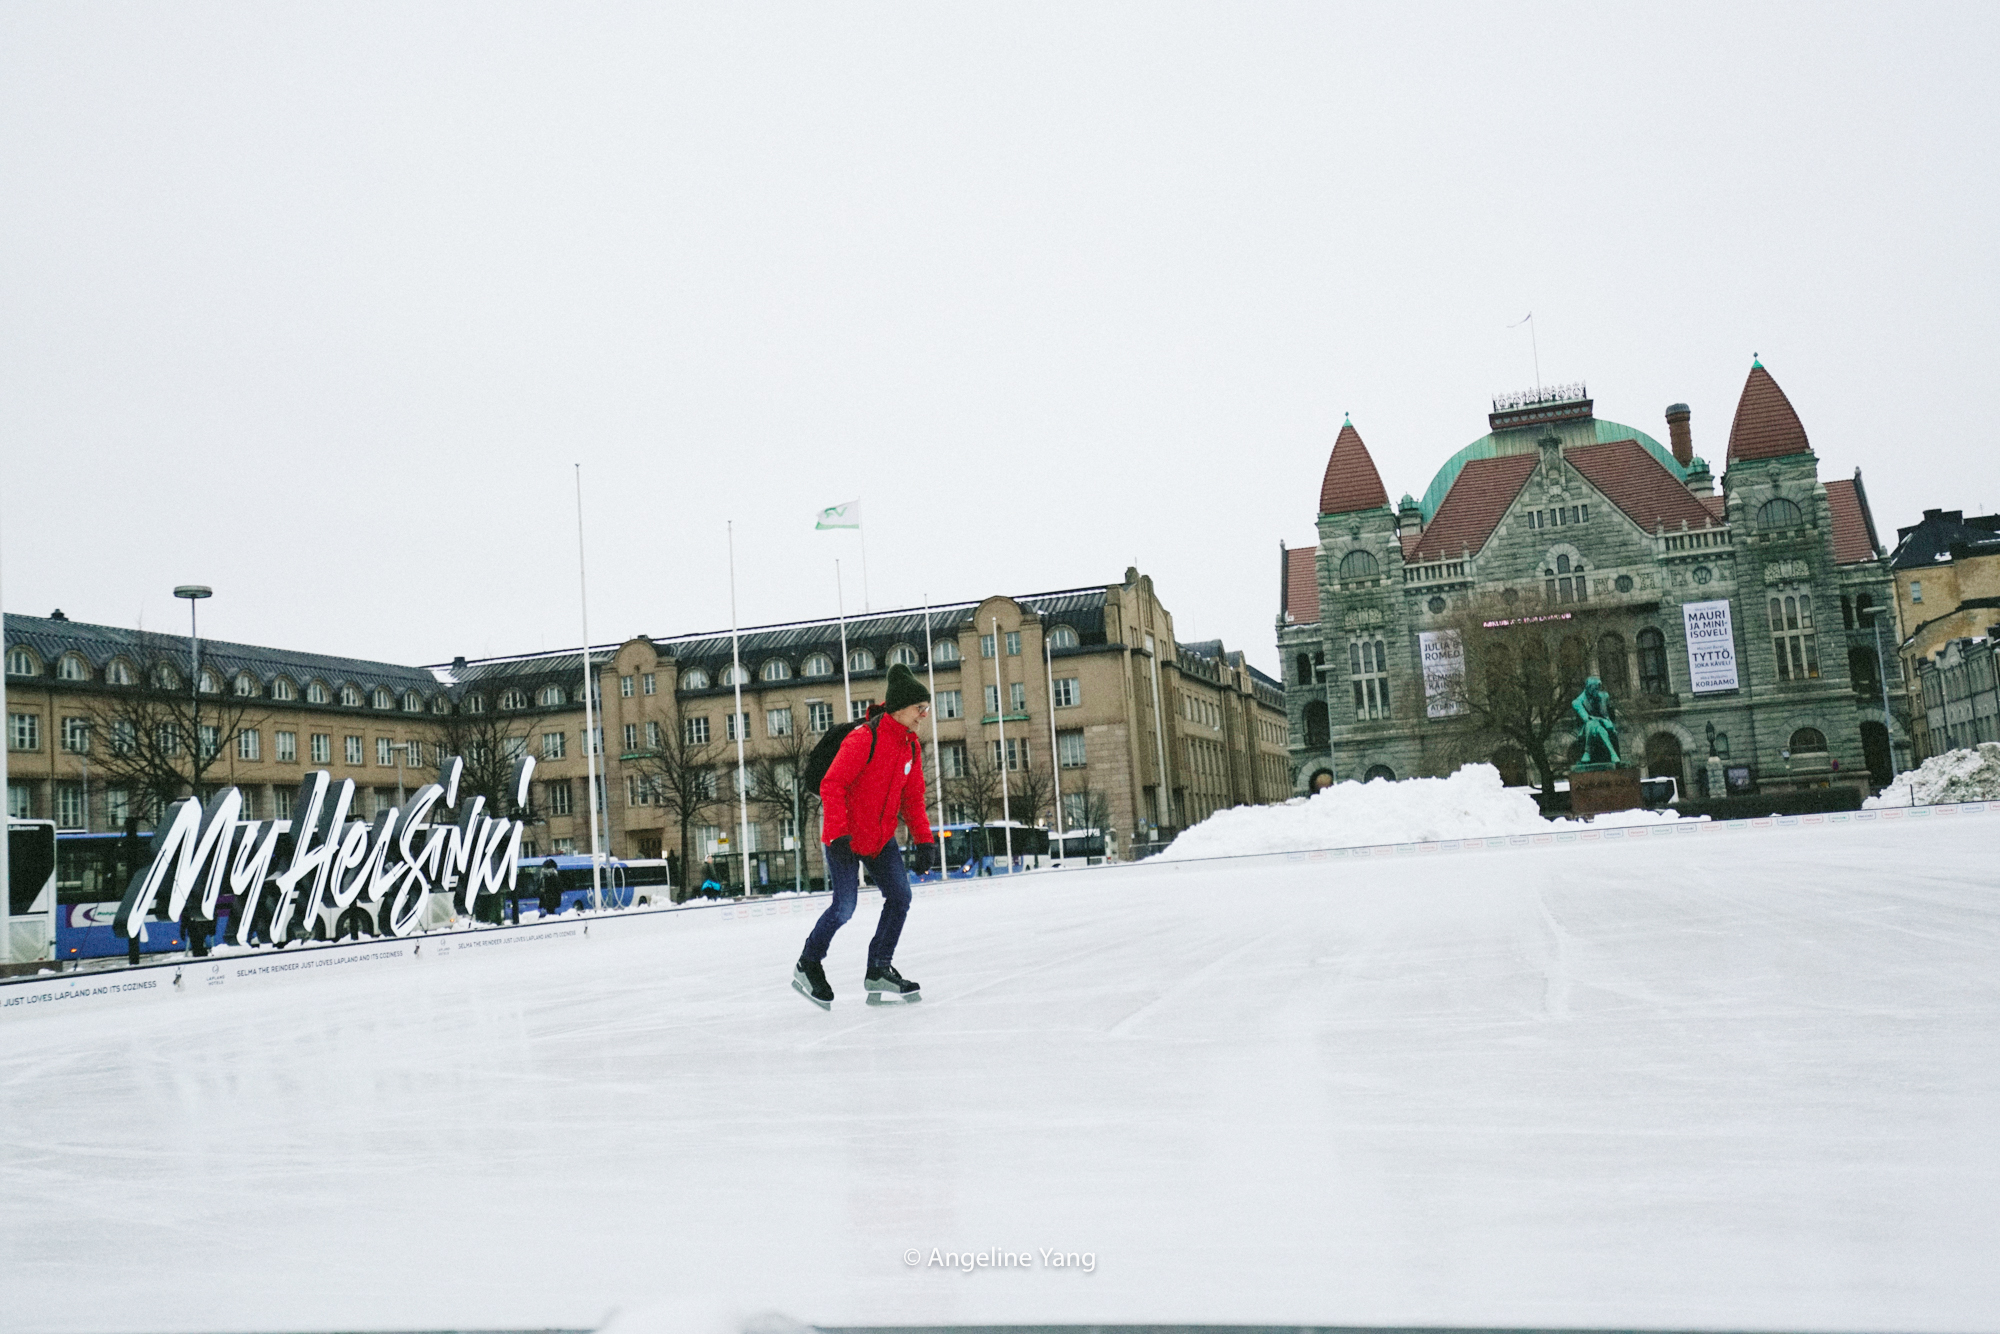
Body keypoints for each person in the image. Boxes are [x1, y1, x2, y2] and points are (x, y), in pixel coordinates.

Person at [793, 663, 937, 1008]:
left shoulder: (910, 747)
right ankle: (808, 963)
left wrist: (925, 839)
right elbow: (833, 784)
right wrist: (839, 834)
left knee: (900, 897)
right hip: (844, 836)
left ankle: (878, 969)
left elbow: (912, 798)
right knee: (844, 907)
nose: (923, 716)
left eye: (925, 709)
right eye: (920, 709)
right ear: (901, 707)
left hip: (880, 838)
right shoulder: (864, 738)